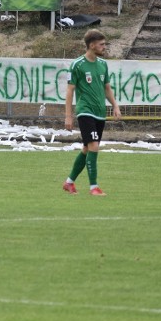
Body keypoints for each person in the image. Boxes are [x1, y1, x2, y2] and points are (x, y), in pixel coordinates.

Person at [62, 29, 121, 196]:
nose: (104, 47)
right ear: (91, 45)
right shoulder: (77, 65)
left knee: (87, 148)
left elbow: (107, 88)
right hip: (85, 111)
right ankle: (93, 187)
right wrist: (68, 115)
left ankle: (69, 183)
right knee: (94, 146)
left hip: (100, 112)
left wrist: (115, 106)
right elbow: (69, 91)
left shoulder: (103, 65)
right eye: (102, 44)